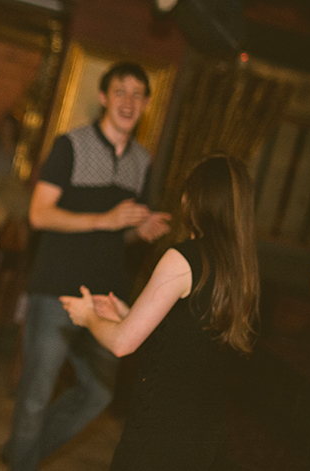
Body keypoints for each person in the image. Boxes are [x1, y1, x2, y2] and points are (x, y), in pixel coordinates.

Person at [2, 62, 171, 471]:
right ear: (103, 97)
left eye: (137, 95)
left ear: (147, 104)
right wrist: (105, 219)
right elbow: (40, 215)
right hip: (56, 287)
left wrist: (139, 228)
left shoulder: (143, 161)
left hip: (106, 296)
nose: (128, 102)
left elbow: (121, 232)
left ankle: (22, 457)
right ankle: (21, 461)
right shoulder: (70, 145)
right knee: (36, 395)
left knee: (97, 394)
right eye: (120, 92)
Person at [60, 155, 260, 470]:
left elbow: (122, 344)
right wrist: (128, 314)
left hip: (163, 430)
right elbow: (190, 332)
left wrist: (88, 316)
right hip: (206, 432)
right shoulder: (241, 268)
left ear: (196, 200)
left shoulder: (182, 258)